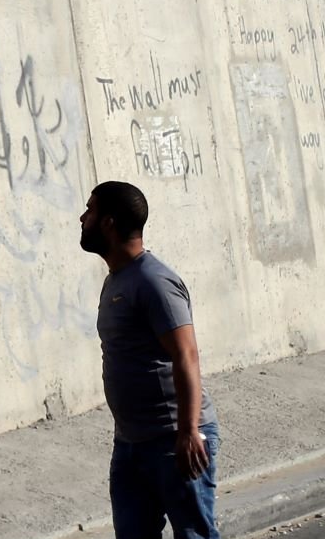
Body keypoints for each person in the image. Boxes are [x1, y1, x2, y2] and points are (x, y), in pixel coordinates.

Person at [80, 180, 220, 539]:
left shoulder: (154, 281)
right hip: (130, 442)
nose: (82, 218)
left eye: (90, 210)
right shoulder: (117, 279)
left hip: (173, 439)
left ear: (108, 223)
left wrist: (189, 431)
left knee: (193, 535)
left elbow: (186, 353)